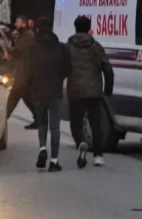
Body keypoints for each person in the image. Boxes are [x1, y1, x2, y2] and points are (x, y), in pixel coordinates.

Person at [66, 15, 114, 169]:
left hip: (76, 90)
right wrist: (107, 90)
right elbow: (108, 69)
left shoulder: (68, 47)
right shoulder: (96, 46)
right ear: (89, 29)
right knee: (96, 124)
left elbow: (62, 67)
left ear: (75, 28)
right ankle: (98, 156)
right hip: (94, 91)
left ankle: (81, 142)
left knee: (76, 122)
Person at [24, 17, 71, 171]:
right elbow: (67, 68)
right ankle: (54, 160)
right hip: (55, 91)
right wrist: (58, 78)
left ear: (37, 29)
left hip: (38, 91)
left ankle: (42, 148)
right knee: (55, 127)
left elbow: (28, 71)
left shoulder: (32, 49)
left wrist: (31, 85)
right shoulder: (60, 47)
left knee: (42, 124)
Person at [5, 15, 38, 129]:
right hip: (24, 70)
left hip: (24, 71)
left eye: (17, 22)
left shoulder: (27, 35)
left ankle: (3, 119)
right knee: (27, 97)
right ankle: (39, 119)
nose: (15, 25)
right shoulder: (24, 35)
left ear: (23, 23)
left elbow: (18, 50)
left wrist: (8, 49)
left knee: (14, 95)